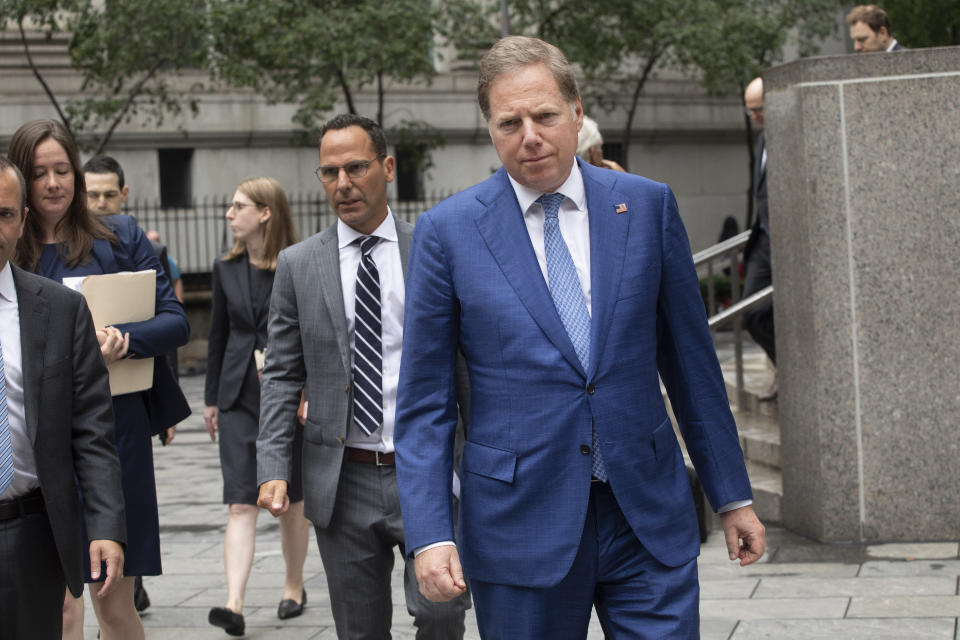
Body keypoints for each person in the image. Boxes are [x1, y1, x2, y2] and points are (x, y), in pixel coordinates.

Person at [394, 36, 765, 639]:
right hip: (518, 526)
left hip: (645, 515)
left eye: (544, 115)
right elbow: (424, 404)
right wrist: (432, 533)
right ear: (490, 129)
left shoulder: (647, 207)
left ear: (577, 111)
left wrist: (731, 495)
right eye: (509, 122)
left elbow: (691, 368)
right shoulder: (448, 233)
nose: (530, 135)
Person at [257, 114, 470, 640]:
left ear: (388, 167)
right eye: (330, 172)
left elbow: (469, 363)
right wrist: (273, 465)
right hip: (342, 476)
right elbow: (282, 374)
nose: (343, 183)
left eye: (356, 167)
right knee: (359, 629)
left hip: (428, 468)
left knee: (443, 614)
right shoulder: (298, 265)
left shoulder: (435, 250)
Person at [9, 120, 190, 640]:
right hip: (42, 436)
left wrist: (122, 339)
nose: (52, 184)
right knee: (63, 605)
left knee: (112, 598)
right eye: (38, 172)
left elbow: (175, 320)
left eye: (62, 170)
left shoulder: (120, 235)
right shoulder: (11, 251)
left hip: (116, 428)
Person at [0, 155, 126, 639]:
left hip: (28, 536)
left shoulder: (60, 311)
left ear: (23, 219)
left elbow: (92, 432)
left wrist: (106, 525)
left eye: (5, 213)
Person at [204, 177, 311, 636]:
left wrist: (306, 392)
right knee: (240, 502)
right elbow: (217, 335)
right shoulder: (224, 268)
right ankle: (234, 603)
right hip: (237, 395)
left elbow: (314, 333)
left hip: (287, 396)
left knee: (290, 501)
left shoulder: (298, 263)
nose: (229, 214)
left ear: (265, 212)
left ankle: (293, 585)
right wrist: (211, 398)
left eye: (238, 206)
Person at [742, 77, 778, 401]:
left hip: (784, 241)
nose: (755, 116)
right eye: (750, 111)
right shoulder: (763, 139)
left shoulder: (788, 134)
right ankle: (786, 367)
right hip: (763, 240)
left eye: (759, 110)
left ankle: (789, 373)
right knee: (751, 312)